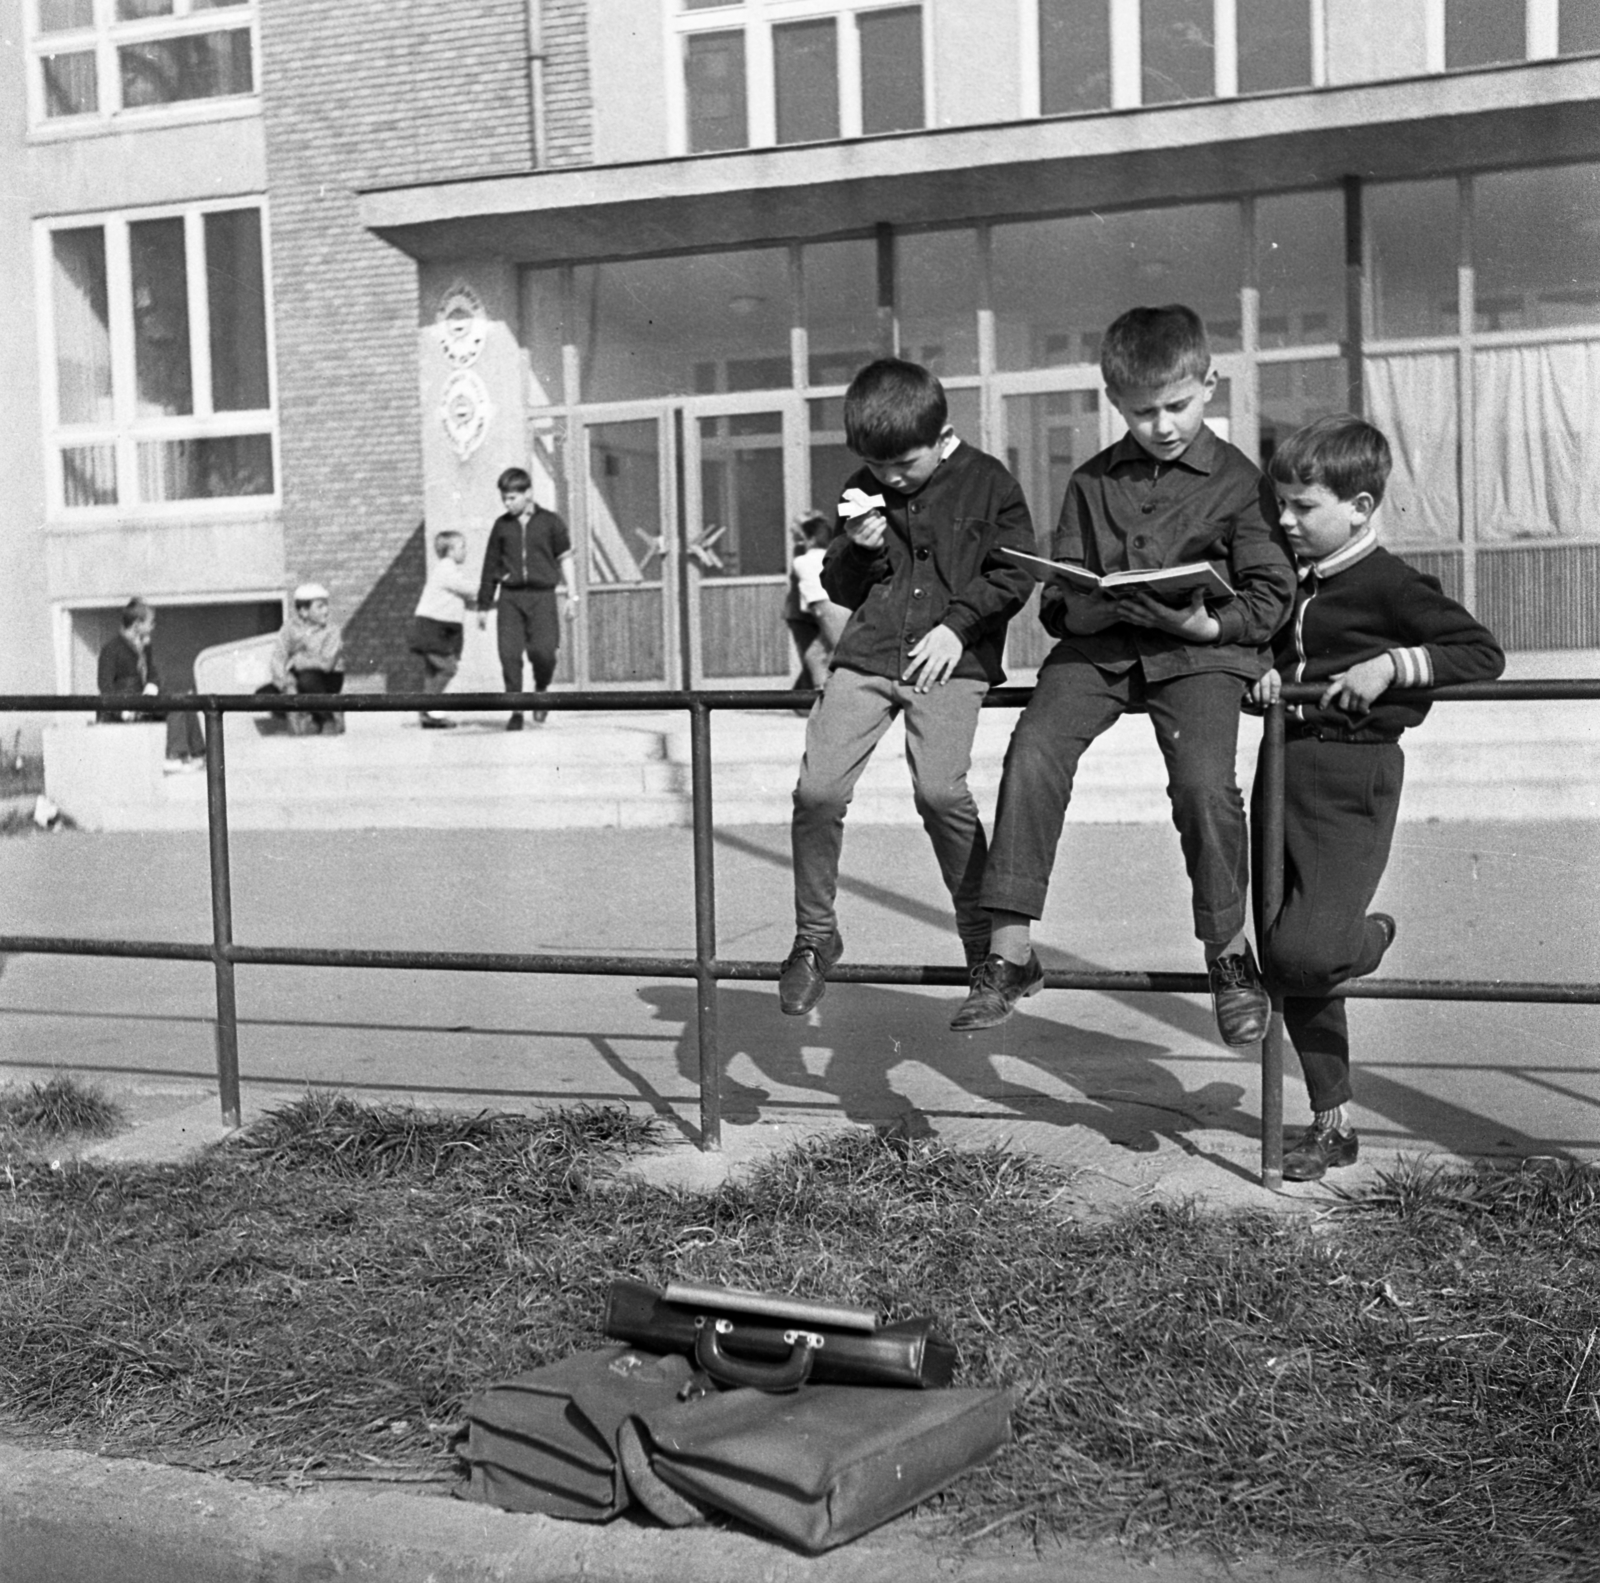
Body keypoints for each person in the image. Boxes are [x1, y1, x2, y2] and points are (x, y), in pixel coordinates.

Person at [954, 304, 1295, 1043]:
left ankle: (1229, 956)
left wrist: (1211, 623)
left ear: (1211, 383)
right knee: (1034, 749)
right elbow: (1058, 598)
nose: (1163, 426)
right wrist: (1084, 608)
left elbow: (1271, 595)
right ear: (1114, 403)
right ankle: (1008, 950)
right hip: (1102, 648)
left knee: (1206, 783)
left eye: (1177, 406)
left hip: (1198, 652)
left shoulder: (1242, 482)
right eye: (1142, 413)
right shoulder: (1088, 481)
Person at [1249, 415, 1504, 1181]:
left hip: (1353, 779)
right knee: (1280, 953)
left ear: (1360, 507)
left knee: (1311, 950)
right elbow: (1271, 644)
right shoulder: (1290, 574)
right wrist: (1256, 676)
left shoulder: (1389, 580)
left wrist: (1392, 667)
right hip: (1280, 769)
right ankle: (1334, 1123)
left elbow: (1482, 652)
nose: (1286, 520)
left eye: (1304, 507)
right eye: (1281, 504)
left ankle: (1373, 934)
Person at [778, 357, 1036, 1016]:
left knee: (939, 790)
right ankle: (814, 936)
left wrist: (957, 626)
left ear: (944, 433)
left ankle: (986, 952)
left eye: (905, 465)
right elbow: (837, 588)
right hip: (868, 654)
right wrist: (861, 548)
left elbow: (1014, 574)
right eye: (877, 465)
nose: (889, 479)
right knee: (817, 789)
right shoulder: (864, 485)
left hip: (951, 658)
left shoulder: (989, 483)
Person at [476, 466, 579, 730]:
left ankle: (541, 690)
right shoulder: (502, 526)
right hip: (510, 597)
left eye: (512, 497)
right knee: (509, 655)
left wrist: (572, 593)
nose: (507, 503)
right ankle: (517, 709)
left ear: (528, 493)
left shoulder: (550, 522)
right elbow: (490, 565)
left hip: (541, 596)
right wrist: (484, 605)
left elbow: (565, 557)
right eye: (504, 498)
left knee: (544, 653)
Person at [95, 597, 205, 772]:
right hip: (126, 709)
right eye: (150, 622)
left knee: (184, 699)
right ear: (137, 624)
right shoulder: (112, 650)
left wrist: (151, 687)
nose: (153, 626)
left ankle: (197, 754)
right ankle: (173, 756)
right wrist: (122, 711)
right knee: (174, 706)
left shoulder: (144, 647)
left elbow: (152, 674)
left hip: (143, 702)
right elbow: (105, 686)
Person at [408, 528, 477, 729]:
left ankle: (431, 715)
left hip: (438, 627)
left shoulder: (448, 570)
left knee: (434, 672)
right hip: (434, 628)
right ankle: (428, 710)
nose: (465, 551)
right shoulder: (446, 569)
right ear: (450, 550)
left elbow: (463, 597)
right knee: (448, 668)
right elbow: (468, 589)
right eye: (462, 547)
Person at [784, 510, 850, 698]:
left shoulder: (802, 561)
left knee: (841, 652)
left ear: (810, 539)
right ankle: (822, 694)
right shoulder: (835, 556)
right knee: (815, 655)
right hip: (838, 605)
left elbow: (812, 592)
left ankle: (842, 696)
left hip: (825, 608)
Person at [268, 582, 346, 735]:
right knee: (266, 693)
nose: (326, 611)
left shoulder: (332, 631)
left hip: (328, 679)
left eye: (326, 606)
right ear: (304, 611)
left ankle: (328, 717)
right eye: (320, 607)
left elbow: (326, 664)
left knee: (307, 680)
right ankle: (308, 716)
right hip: (300, 676)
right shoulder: (290, 629)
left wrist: (299, 661)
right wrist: (285, 682)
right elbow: (278, 657)